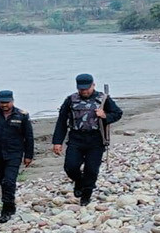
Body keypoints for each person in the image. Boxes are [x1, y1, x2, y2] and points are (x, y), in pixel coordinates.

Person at [51, 73, 123, 206]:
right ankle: (79, 181)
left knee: (91, 169)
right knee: (70, 167)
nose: (84, 91)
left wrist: (105, 116)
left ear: (93, 85)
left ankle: (86, 194)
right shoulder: (71, 100)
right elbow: (61, 121)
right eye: (81, 89)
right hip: (76, 138)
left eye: (86, 88)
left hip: (96, 139)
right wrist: (57, 142)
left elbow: (117, 113)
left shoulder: (103, 99)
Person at [0, 90, 34, 223]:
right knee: (2, 181)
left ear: (12, 101)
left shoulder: (21, 115)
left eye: (7, 102)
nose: (4, 105)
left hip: (14, 153)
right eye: (1, 102)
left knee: (9, 181)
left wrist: (28, 155)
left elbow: (29, 136)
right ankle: (10, 203)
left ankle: (6, 209)